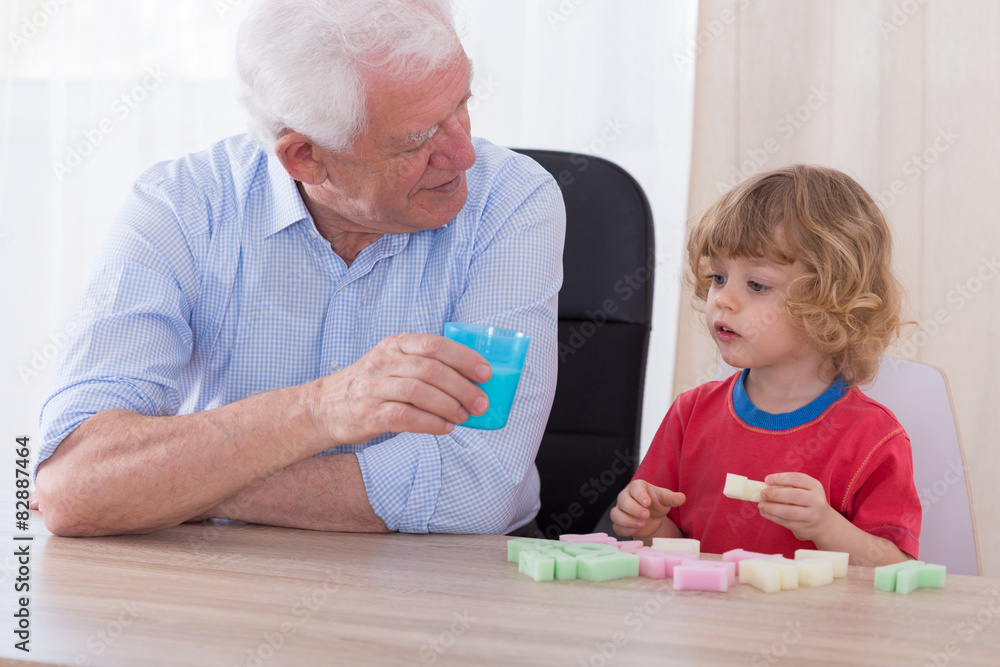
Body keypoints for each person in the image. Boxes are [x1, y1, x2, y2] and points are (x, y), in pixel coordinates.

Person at [33, 0, 564, 538]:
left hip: (446, 571)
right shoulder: (180, 205)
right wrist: (322, 409)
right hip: (217, 565)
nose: (464, 153)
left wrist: (173, 487)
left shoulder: (512, 200)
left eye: (462, 104)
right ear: (306, 157)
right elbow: (74, 485)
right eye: (416, 139)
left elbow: (476, 490)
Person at [612, 165, 920, 566]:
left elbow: (897, 570)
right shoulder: (690, 415)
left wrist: (826, 526)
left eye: (756, 285)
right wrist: (650, 526)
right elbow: (680, 553)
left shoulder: (873, 437)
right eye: (718, 277)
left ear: (831, 300)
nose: (723, 299)